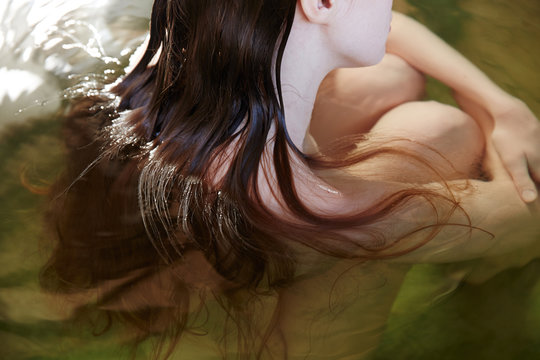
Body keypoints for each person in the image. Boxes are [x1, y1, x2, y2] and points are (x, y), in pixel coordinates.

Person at [40, 0, 540, 359]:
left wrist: (502, 106)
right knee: (441, 132)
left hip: (153, 248)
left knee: (398, 79)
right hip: (228, 291)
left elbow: (390, 27)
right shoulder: (319, 208)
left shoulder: (179, 59)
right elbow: (531, 212)